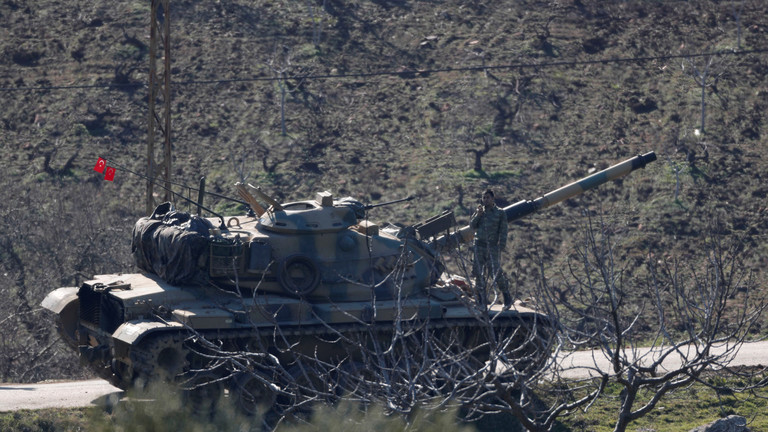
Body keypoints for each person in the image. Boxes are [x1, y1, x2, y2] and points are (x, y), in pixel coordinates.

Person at [470, 188, 513, 309]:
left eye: (488, 197)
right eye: (484, 198)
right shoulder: (480, 212)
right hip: (479, 246)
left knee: (496, 273)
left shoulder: (500, 213)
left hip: (492, 247)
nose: (485, 200)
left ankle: (507, 297)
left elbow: (503, 230)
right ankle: (481, 301)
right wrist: (478, 215)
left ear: (493, 199)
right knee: (478, 273)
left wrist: (501, 245)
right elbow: (472, 225)